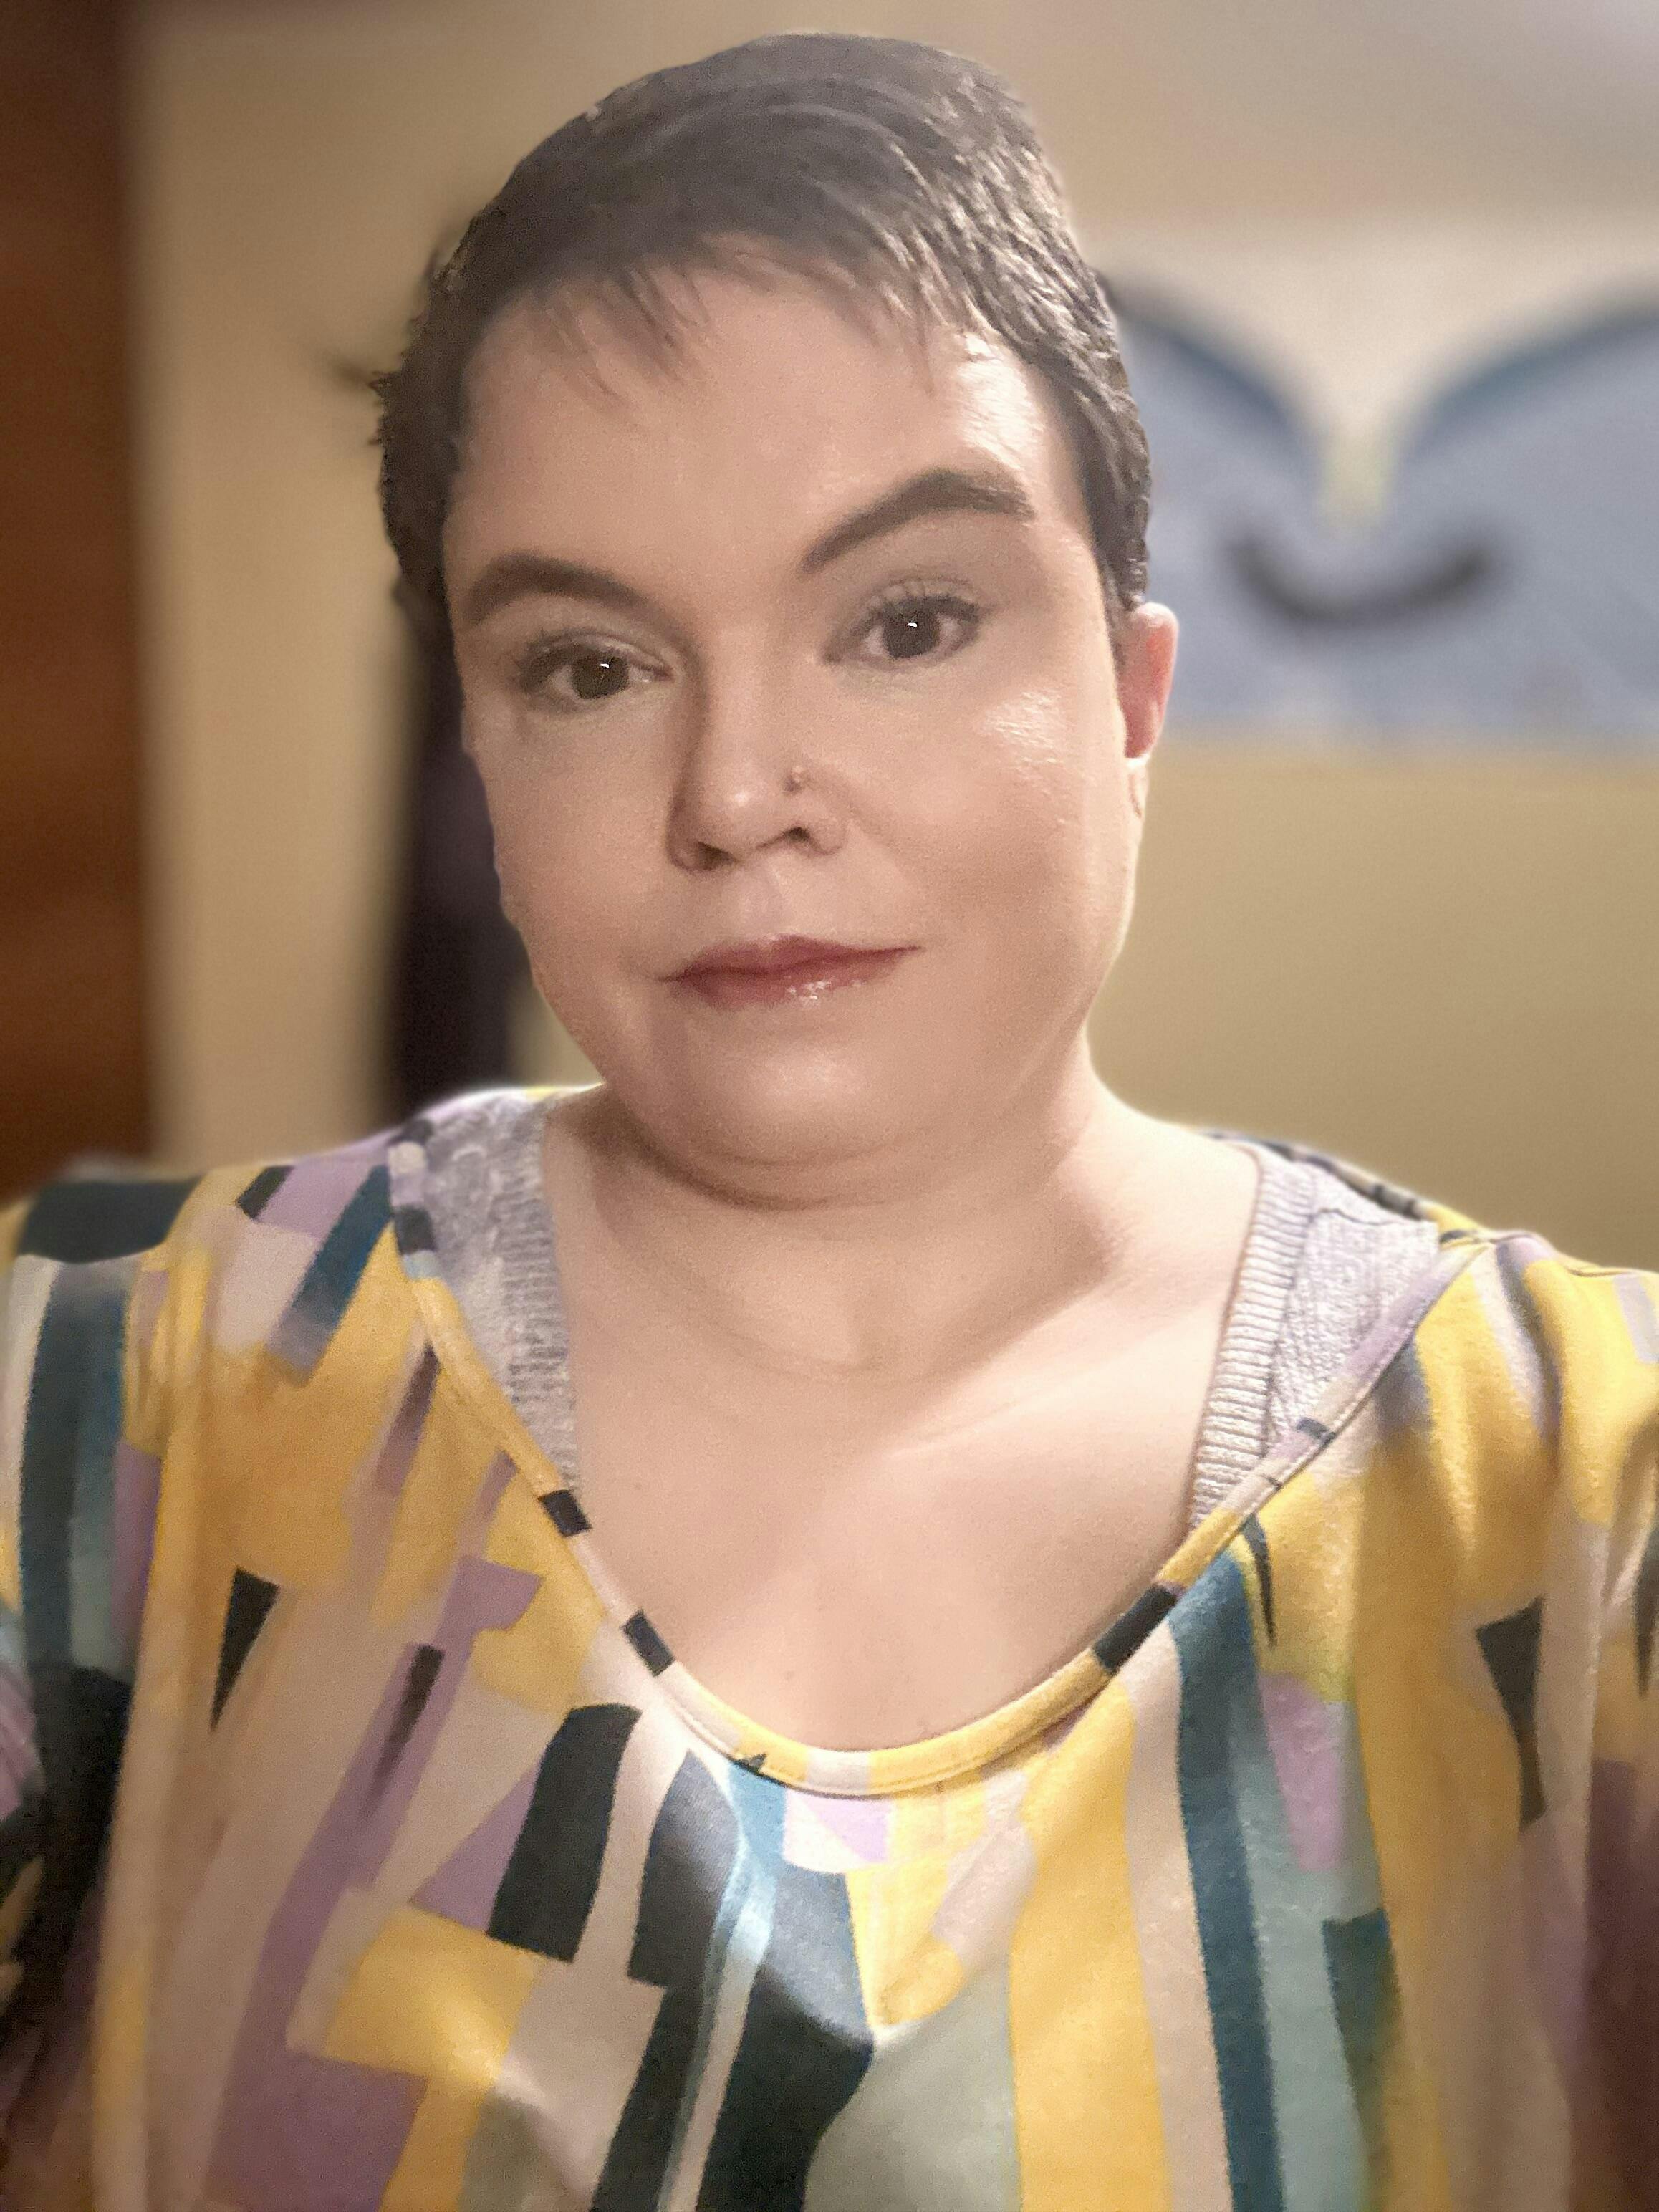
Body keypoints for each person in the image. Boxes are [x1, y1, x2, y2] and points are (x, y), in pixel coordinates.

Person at [1, 32, 1655, 2210]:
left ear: (1128, 697)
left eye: (906, 622)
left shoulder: (1579, 1482)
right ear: (480, 746)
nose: (733, 796)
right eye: (590, 666)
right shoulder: (105, 1396)